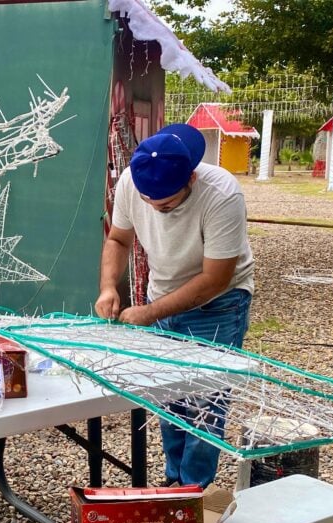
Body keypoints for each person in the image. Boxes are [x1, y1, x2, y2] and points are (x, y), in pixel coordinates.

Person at [95, 124, 254, 488]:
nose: (154, 209)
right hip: (162, 292)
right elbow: (118, 239)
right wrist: (108, 287)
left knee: (204, 404)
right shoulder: (132, 183)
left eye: (165, 204)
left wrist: (150, 312)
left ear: (191, 179)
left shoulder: (222, 194)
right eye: (148, 201)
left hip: (219, 303)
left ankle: (193, 490)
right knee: (168, 396)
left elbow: (216, 279)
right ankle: (174, 483)